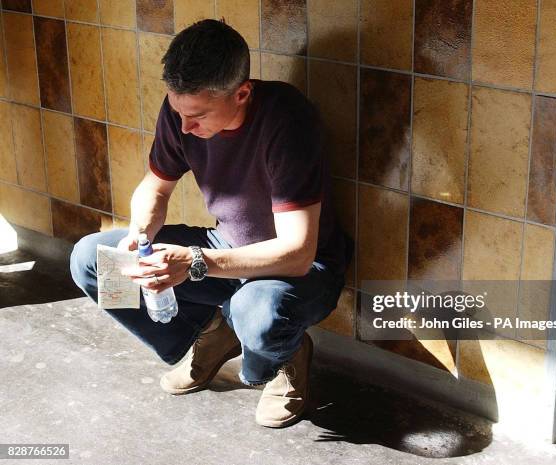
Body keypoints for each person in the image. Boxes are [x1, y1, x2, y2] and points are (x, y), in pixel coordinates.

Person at [69, 18, 351, 428]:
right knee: (94, 261)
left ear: (241, 93)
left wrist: (193, 262)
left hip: (301, 271)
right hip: (224, 245)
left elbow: (298, 252)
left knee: (259, 315)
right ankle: (212, 329)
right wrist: (141, 235)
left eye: (197, 115)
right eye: (178, 111)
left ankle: (284, 358)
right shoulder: (181, 109)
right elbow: (155, 187)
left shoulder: (287, 121)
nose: (184, 126)